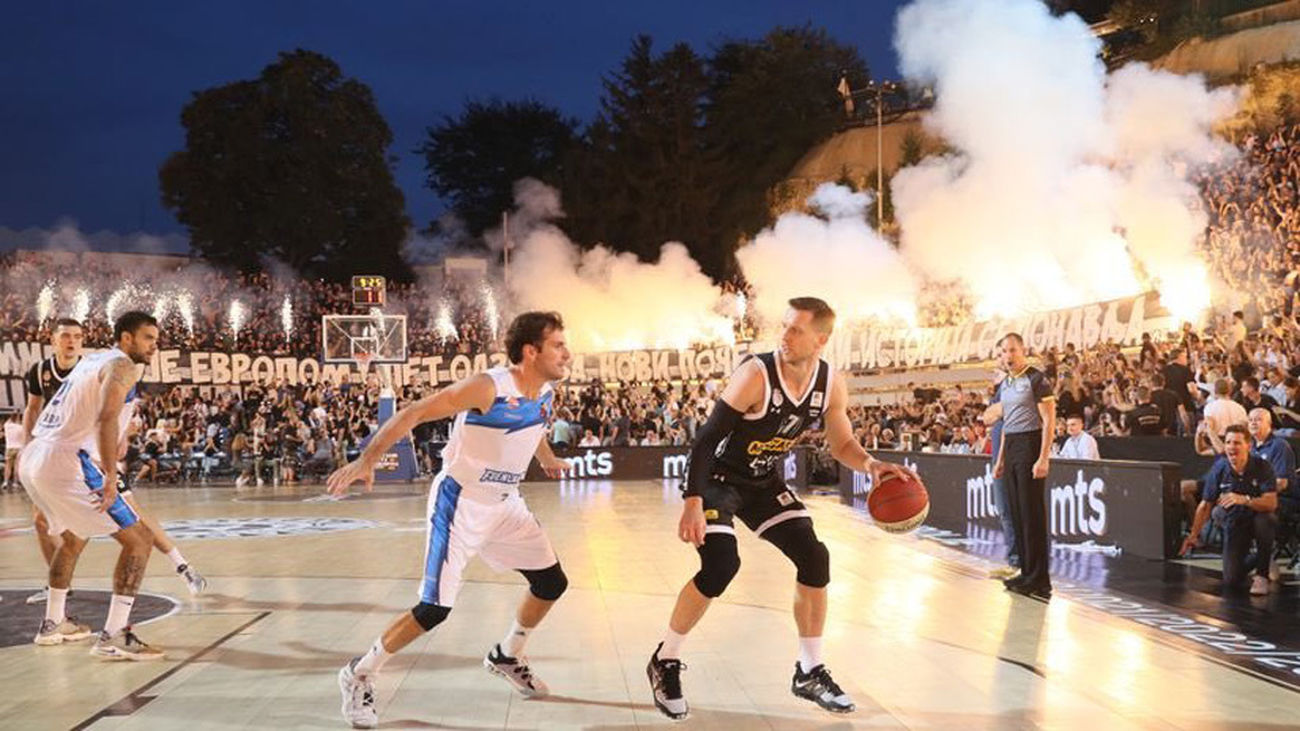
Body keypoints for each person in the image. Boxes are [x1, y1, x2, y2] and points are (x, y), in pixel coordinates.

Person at [646, 297, 915, 720]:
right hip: (716, 478)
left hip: (761, 482)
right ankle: (665, 658)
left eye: (796, 330)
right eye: (784, 326)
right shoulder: (756, 374)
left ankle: (809, 671)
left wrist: (871, 463)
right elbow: (705, 439)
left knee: (815, 557)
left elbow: (842, 443)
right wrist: (693, 501)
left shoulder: (830, 383)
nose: (784, 336)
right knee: (720, 565)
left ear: (821, 339)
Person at [327, 312, 573, 730]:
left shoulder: (546, 392)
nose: (568, 353)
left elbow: (535, 430)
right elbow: (413, 413)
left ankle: (508, 654)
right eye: (558, 345)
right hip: (460, 502)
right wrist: (367, 461)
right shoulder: (487, 386)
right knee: (433, 609)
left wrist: (548, 460)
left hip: (505, 503)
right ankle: (359, 672)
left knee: (552, 583)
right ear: (530, 352)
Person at [21, 319, 206, 605]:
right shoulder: (55, 370)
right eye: (66, 336)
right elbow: (35, 410)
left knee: (131, 522)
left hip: (78, 457)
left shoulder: (96, 363)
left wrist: (118, 448)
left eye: (78, 336)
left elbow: (114, 416)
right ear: (53, 340)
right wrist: (26, 444)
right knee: (57, 529)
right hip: (65, 454)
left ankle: (183, 566)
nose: (72, 341)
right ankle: (81, 617)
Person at [18, 312, 164, 659]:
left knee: (72, 537)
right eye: (148, 338)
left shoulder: (92, 359)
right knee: (139, 541)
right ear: (126, 338)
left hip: (35, 455)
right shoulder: (123, 365)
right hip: (65, 460)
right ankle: (114, 636)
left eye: (156, 340)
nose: (154, 346)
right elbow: (106, 417)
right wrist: (111, 476)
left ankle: (54, 623)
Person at [992, 333, 1056, 602]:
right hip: (1013, 446)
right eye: (1004, 351)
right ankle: (1026, 572)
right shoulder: (1005, 384)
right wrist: (1000, 460)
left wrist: (1043, 457)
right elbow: (1006, 423)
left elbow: (1049, 419)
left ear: (1023, 351)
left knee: (1032, 515)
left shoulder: (1037, 378)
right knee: (1017, 513)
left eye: (1013, 350)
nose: (1008, 356)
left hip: (1031, 443)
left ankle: (1040, 580)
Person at [1182, 424, 1279, 595]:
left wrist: (1245, 500)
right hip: (1235, 521)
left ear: (1248, 445)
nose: (1231, 447)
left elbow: (1271, 503)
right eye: (1228, 442)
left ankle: (1262, 575)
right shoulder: (1220, 468)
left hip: (1258, 517)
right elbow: (1205, 505)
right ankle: (1263, 557)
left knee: (1267, 519)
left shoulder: (1262, 466)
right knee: (1231, 580)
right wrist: (1193, 535)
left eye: (1237, 443)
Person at [982, 370, 1019, 581]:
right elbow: (987, 417)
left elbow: (1006, 423)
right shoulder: (1002, 391)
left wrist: (1001, 459)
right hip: (999, 458)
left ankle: (1019, 563)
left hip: (1006, 460)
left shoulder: (1014, 389)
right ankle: (1015, 561)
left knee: (1011, 510)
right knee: (1005, 510)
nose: (992, 375)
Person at [4, 411, 23, 489]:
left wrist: (15, 413)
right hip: (19, 448)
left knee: (8, 466)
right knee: (16, 466)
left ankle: (5, 482)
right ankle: (15, 482)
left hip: (9, 448)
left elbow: (8, 420)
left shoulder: (7, 426)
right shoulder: (21, 427)